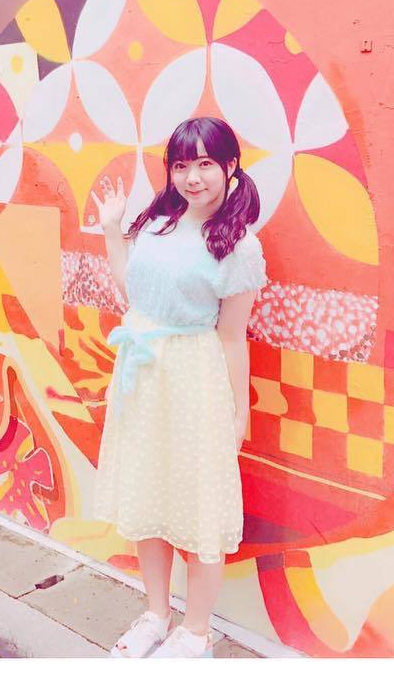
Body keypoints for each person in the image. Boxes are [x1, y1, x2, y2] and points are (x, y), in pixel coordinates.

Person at [89, 116, 267, 658]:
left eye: (206, 164)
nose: (193, 178)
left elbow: (232, 337)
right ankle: (155, 615)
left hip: (194, 377)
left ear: (230, 166)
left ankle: (195, 633)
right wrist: (113, 230)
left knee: (199, 504)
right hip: (143, 375)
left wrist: (239, 413)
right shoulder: (158, 224)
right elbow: (134, 293)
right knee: (148, 493)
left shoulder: (238, 246)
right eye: (182, 165)